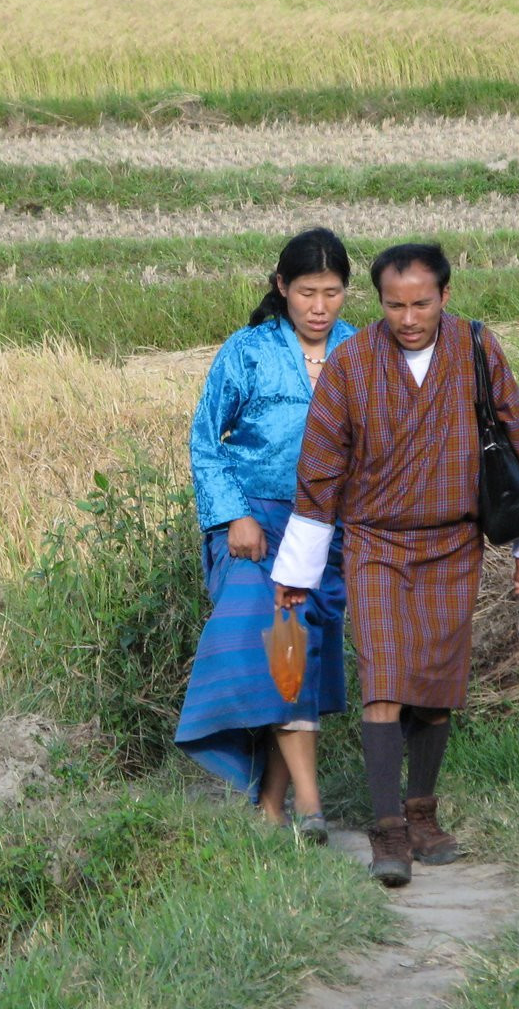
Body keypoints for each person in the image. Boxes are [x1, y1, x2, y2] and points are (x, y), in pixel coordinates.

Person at [271, 242, 519, 886]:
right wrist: (296, 572)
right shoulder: (350, 365)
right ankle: (387, 828)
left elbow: (516, 436)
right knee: (386, 682)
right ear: (379, 303)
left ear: (445, 297)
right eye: (394, 304)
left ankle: (423, 813)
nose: (408, 317)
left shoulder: (477, 349)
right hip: (375, 544)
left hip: (455, 544)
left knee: (436, 686)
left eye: (421, 303)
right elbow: (319, 471)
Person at [175, 227, 356, 843]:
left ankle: (273, 809)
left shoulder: (361, 353)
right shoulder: (246, 351)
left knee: (296, 657)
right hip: (253, 528)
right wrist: (235, 517)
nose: (319, 306)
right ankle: (311, 805)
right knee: (279, 641)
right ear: (282, 288)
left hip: (325, 533)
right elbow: (206, 441)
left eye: (332, 293)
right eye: (307, 291)